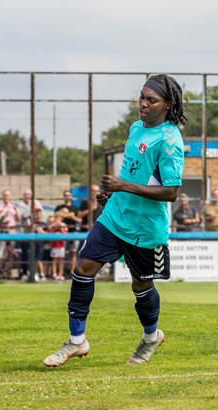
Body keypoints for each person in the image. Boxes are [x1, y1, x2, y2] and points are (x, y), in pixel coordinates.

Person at [43, 74, 186, 367]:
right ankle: (76, 341)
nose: (142, 104)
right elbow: (131, 172)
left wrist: (122, 185)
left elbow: (171, 192)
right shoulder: (136, 128)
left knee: (141, 286)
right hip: (114, 216)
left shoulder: (170, 141)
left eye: (151, 100)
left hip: (145, 228)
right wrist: (111, 192)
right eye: (142, 97)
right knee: (83, 269)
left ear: (167, 105)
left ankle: (150, 337)